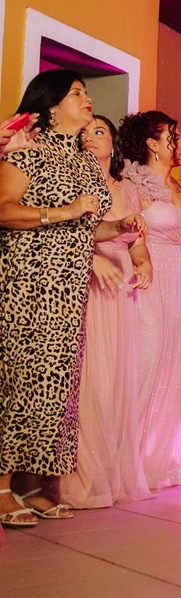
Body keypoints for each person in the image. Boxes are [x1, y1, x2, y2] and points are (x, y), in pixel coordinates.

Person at [0, 71, 140, 527]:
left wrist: (117, 228)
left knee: (57, 384)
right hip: (27, 283)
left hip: (69, 287)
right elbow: (4, 209)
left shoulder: (84, 161)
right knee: (20, 380)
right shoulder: (27, 150)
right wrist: (64, 211)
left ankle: (34, 485)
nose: (87, 98)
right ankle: (1, 487)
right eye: (76, 93)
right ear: (51, 106)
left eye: (85, 91)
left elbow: (87, 226)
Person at [59, 116, 154, 509]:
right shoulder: (75, 182)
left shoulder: (127, 189)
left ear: (113, 145)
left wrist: (144, 262)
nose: (90, 137)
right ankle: (78, 478)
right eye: (84, 132)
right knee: (91, 375)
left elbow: (136, 240)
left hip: (121, 282)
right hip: (91, 278)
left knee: (116, 376)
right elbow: (76, 233)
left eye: (99, 131)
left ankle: (110, 471)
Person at [118, 111, 181, 488]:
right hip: (149, 279)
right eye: (174, 136)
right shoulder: (134, 182)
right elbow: (128, 233)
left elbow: (179, 235)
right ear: (152, 143)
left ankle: (164, 450)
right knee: (149, 363)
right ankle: (130, 455)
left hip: (178, 279)